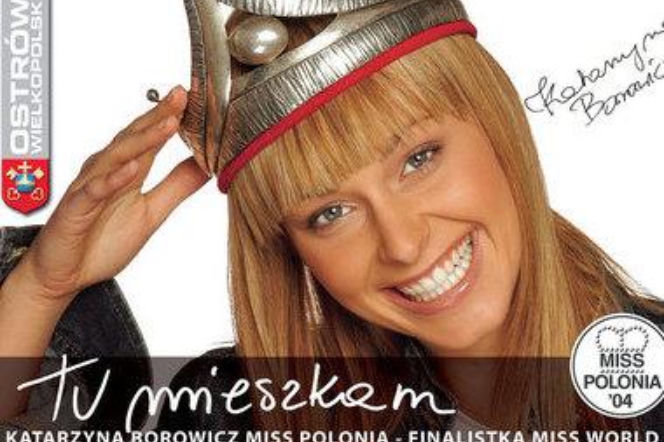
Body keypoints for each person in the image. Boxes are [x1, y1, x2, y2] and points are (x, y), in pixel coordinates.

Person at [1, 0, 663, 434]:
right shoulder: (238, 415)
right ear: (292, 249)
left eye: (419, 159)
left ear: (498, 127)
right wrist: (42, 290)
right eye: (331, 212)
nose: (403, 244)